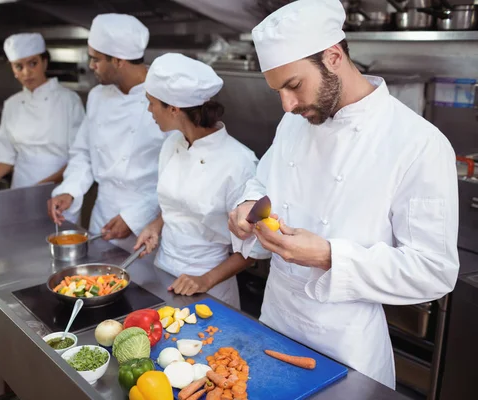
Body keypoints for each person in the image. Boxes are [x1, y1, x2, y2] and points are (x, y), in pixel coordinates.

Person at [229, 0, 459, 389]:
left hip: (346, 346)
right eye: (278, 91)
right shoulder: (293, 123)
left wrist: (328, 256)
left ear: (333, 56)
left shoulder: (418, 143)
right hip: (275, 325)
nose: (287, 105)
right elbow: (261, 182)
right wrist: (246, 205)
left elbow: (433, 270)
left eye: (293, 85)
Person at [134, 53, 259, 309]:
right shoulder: (172, 143)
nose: (149, 111)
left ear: (174, 108)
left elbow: (253, 249)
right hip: (164, 274)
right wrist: (156, 225)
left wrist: (204, 280)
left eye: (151, 103)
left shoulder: (239, 162)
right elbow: (179, 204)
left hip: (208, 287)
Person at [48, 14, 165, 252]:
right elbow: (83, 153)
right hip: (103, 216)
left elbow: (178, 178)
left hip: (149, 223)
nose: (91, 66)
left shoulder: (165, 98)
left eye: (96, 59)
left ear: (119, 61)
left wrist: (135, 218)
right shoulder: (97, 97)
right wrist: (70, 189)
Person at [0, 33, 85, 194]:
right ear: (13, 70)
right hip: (21, 188)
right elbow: (5, 159)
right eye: (19, 66)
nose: (26, 73)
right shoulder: (12, 105)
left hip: (61, 190)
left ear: (44, 62)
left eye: (32, 63)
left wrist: (42, 187)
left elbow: (80, 157)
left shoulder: (69, 100)